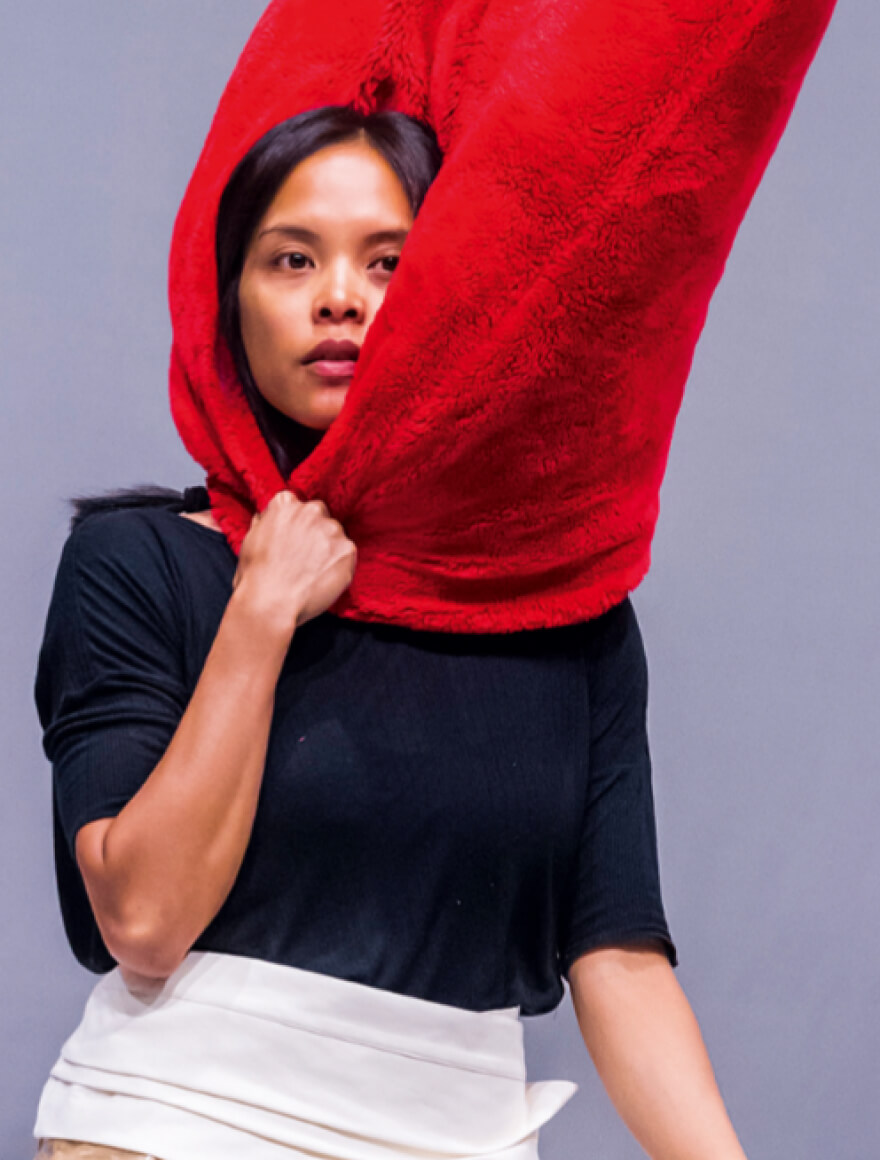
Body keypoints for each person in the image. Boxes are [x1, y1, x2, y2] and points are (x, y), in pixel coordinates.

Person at [32, 104, 753, 1160]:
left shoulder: (566, 610)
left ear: (459, 296)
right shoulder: (142, 564)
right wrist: (261, 610)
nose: (338, 297)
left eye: (389, 263)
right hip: (169, 1128)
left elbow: (620, 960)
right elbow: (141, 920)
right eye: (290, 259)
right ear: (229, 302)